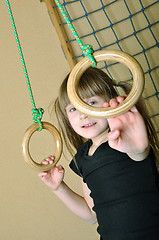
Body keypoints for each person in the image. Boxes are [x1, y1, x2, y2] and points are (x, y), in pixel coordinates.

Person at [39, 67, 159, 240]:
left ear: (109, 101)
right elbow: (91, 215)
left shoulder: (125, 138)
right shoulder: (82, 157)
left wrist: (138, 149)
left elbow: (139, 153)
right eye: (73, 109)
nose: (83, 115)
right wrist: (59, 188)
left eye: (92, 102)